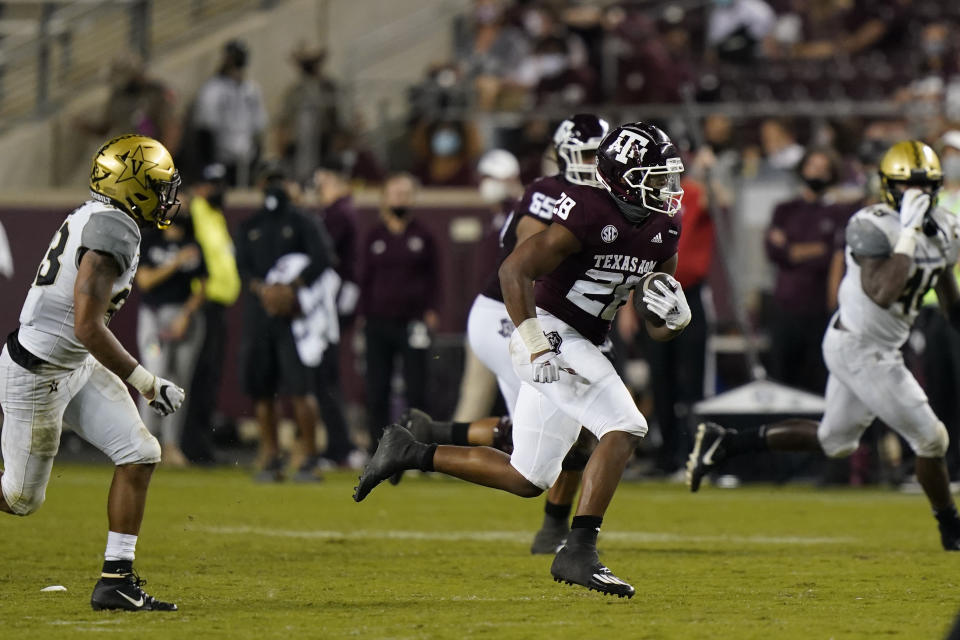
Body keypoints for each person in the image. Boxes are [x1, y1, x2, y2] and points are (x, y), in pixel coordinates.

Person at [354, 122, 693, 598]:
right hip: (550, 332)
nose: (668, 189)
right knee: (626, 424)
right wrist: (533, 340)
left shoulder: (665, 227)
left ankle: (409, 452)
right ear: (624, 177)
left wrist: (671, 320)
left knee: (528, 477)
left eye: (668, 177)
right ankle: (578, 551)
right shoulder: (589, 211)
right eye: (656, 177)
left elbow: (652, 318)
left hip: (585, 339)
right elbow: (514, 267)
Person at [687, 140, 960, 551]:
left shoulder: (944, 229)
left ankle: (727, 442)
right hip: (859, 344)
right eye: (908, 186)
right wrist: (908, 232)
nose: (917, 195)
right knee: (932, 439)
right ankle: (950, 527)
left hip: (874, 345)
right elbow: (883, 291)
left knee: (836, 441)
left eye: (925, 185)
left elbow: (948, 294)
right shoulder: (871, 223)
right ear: (887, 186)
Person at [404, 117, 612, 555]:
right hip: (509, 312)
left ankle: (430, 432)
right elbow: (531, 252)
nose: (595, 164)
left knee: (557, 433)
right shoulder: (547, 191)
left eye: (601, 154)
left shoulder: (605, 197)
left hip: (552, 317)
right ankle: (554, 530)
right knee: (560, 435)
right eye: (587, 153)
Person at [0, 134, 184, 610]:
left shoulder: (101, 216)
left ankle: (115, 581)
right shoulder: (114, 231)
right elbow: (86, 326)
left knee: (140, 451)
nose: (167, 196)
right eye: (158, 184)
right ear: (133, 185)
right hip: (39, 373)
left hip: (71, 363)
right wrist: (147, 382)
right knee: (20, 499)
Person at [234, 168, 333, 482]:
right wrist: (263, 290)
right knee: (263, 391)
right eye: (269, 181)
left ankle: (309, 457)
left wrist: (293, 288)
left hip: (296, 320)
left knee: (301, 389)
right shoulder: (250, 225)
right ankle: (271, 456)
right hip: (260, 316)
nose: (274, 187)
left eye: (281, 179)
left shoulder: (304, 222)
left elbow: (324, 258)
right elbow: (242, 267)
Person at [358, 173, 440, 451]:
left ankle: (419, 449)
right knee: (377, 388)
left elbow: (434, 277)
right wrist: (363, 315)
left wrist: (431, 309)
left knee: (417, 387)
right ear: (384, 198)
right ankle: (377, 449)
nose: (400, 200)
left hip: (412, 322)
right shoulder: (373, 236)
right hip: (378, 322)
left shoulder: (424, 235)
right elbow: (364, 278)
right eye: (395, 194)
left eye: (405, 194)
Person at [764, 147, 846, 393]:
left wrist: (792, 249)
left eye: (823, 169)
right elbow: (773, 252)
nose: (817, 173)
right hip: (785, 307)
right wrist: (813, 249)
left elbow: (831, 257)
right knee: (782, 381)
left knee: (816, 384)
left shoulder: (836, 213)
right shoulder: (785, 209)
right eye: (813, 166)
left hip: (819, 310)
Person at [134, 216, 207, 467]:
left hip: (185, 318)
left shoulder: (193, 244)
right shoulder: (150, 243)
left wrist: (186, 315)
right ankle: (144, 442)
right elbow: (145, 281)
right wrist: (176, 262)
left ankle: (171, 445)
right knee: (153, 376)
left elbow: (203, 286)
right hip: (153, 321)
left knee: (179, 383)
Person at [181, 163, 241, 464]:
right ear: (200, 187)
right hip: (201, 303)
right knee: (198, 376)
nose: (219, 190)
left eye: (222, 183)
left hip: (218, 306)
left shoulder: (215, 216)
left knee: (210, 376)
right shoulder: (194, 211)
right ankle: (191, 444)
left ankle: (199, 443)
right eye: (213, 184)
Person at [312, 164, 362, 467]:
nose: (321, 187)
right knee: (325, 378)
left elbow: (322, 253)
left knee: (324, 377)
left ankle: (339, 446)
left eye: (326, 181)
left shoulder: (338, 213)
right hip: (335, 304)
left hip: (330, 307)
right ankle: (339, 444)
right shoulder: (341, 212)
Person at [191, 40, 267, 186]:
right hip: (221, 158)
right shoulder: (213, 89)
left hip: (246, 159)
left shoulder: (251, 89)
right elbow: (205, 127)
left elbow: (259, 127)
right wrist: (209, 161)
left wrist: (256, 156)